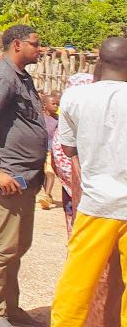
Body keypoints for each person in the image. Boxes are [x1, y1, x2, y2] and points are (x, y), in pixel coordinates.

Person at [0, 24, 47, 327]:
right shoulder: (2, 75)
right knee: (1, 247)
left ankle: (10, 310)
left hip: (24, 176)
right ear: (17, 44)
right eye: (35, 44)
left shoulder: (21, 76)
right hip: (8, 176)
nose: (40, 49)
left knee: (17, 245)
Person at [51, 38, 127, 327]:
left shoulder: (74, 97)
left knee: (77, 281)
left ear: (99, 62)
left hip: (96, 204)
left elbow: (69, 149)